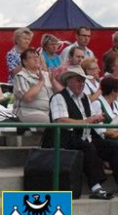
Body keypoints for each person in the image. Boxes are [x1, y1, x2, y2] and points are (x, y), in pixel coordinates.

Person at [43, 65, 112, 200]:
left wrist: (96, 119)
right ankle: (96, 187)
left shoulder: (85, 98)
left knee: (113, 147)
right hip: (64, 138)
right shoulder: (59, 97)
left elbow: (89, 118)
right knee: (87, 147)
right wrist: (87, 121)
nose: (82, 84)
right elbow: (60, 121)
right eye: (79, 80)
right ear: (69, 81)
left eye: (83, 81)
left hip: (84, 136)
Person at [12, 48, 61, 124]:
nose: (36, 59)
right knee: (49, 123)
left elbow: (62, 94)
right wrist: (41, 82)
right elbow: (27, 98)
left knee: (66, 120)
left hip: (49, 112)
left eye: (37, 57)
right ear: (24, 62)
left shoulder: (46, 74)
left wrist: (53, 81)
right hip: (27, 112)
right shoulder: (21, 76)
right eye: (31, 57)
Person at [90, 76, 118, 189]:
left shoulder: (115, 104)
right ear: (113, 91)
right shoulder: (97, 104)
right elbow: (101, 131)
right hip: (100, 141)